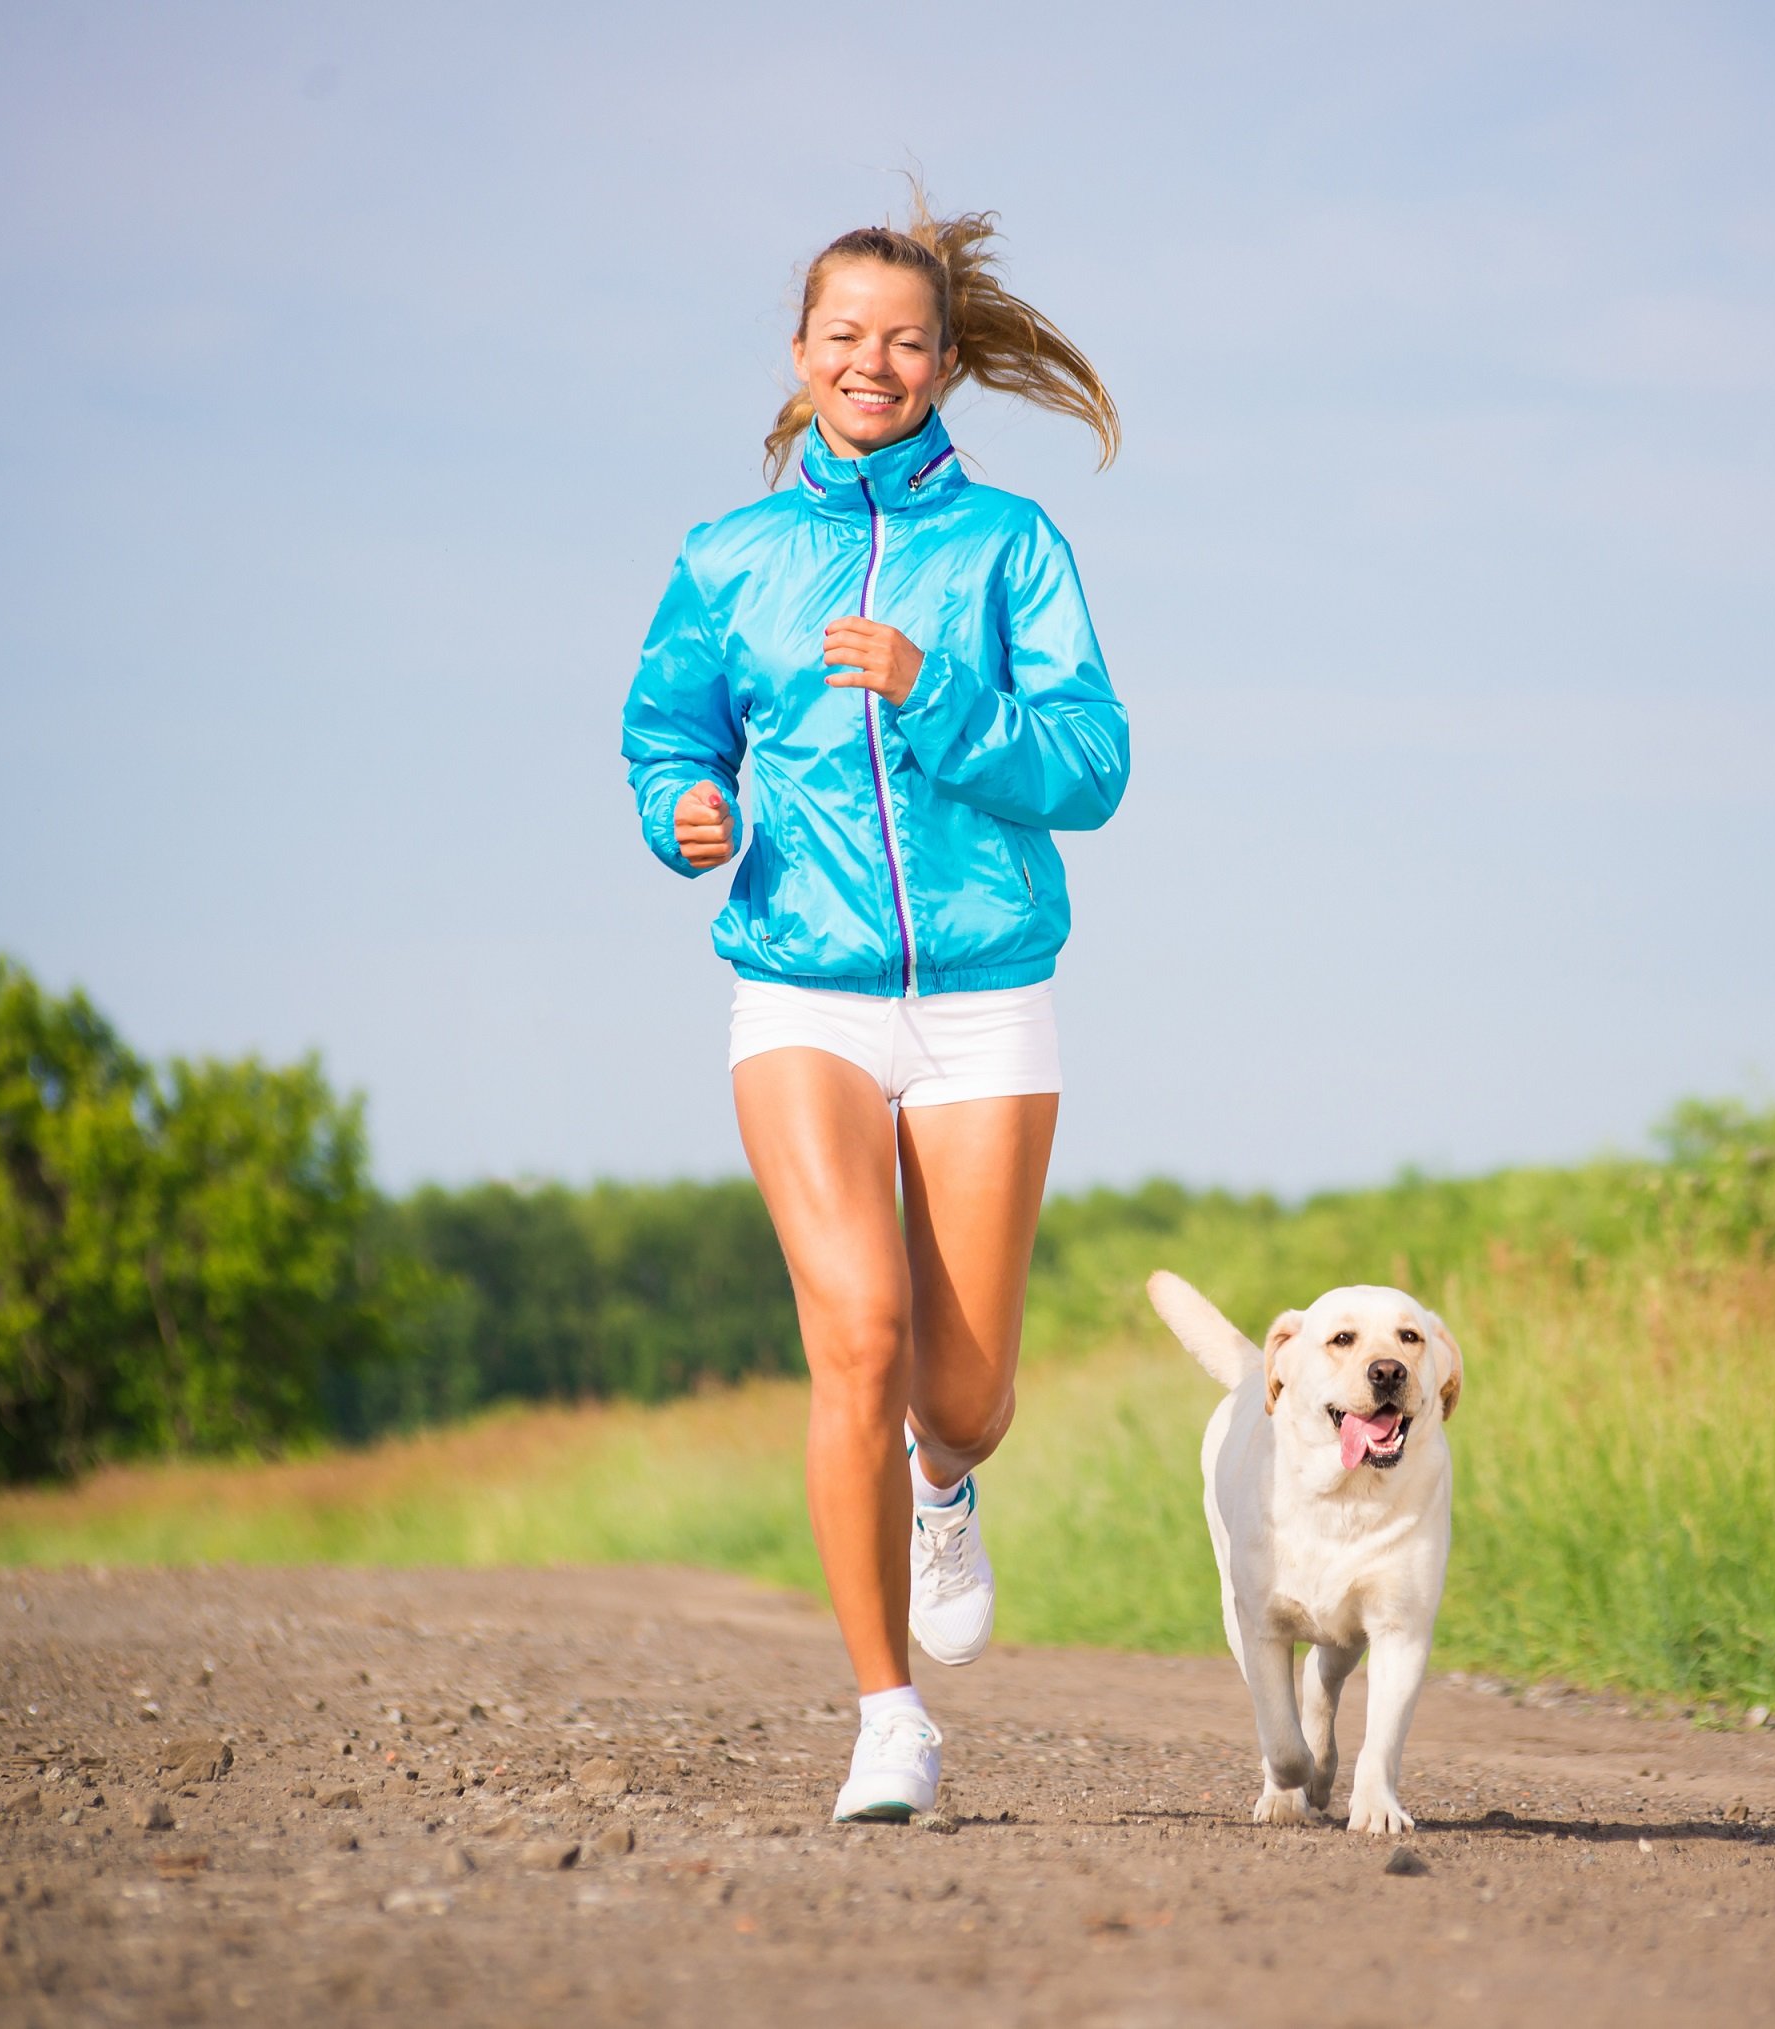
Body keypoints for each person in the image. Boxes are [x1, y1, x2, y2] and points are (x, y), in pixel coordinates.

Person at [618, 196, 1129, 1823]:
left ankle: (948, 1482)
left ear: (945, 363)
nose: (873, 361)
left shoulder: (1013, 549)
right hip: (801, 992)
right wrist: (684, 807)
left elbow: (1092, 766)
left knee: (958, 1389)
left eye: (904, 339)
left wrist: (937, 689)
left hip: (987, 996)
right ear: (802, 356)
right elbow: (665, 732)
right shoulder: (728, 556)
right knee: (856, 1332)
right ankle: (885, 1711)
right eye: (844, 335)